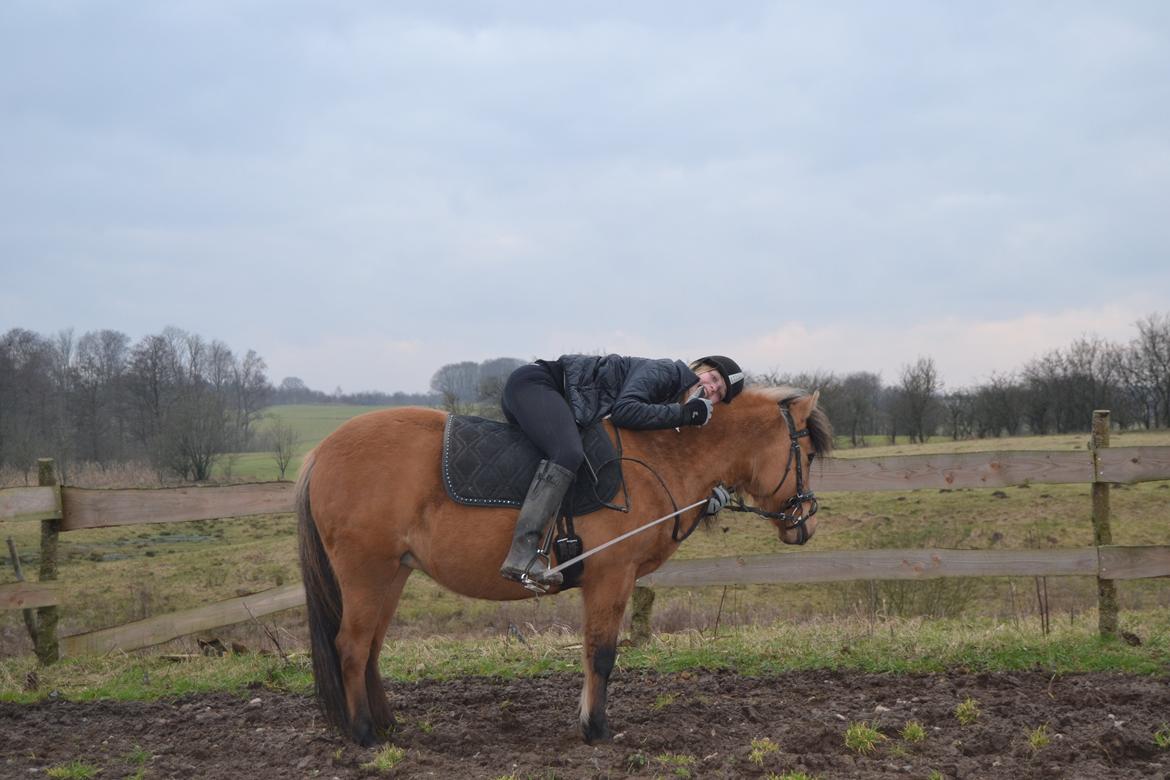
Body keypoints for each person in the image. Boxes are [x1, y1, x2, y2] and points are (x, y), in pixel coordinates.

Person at [499, 353, 745, 587]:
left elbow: (662, 468)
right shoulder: (666, 372)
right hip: (536, 385)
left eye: (719, 393)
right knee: (568, 452)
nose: (712, 388)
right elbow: (624, 411)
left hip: (550, 400)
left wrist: (701, 499)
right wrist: (685, 414)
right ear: (699, 368)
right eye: (713, 378)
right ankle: (522, 552)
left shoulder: (669, 402)